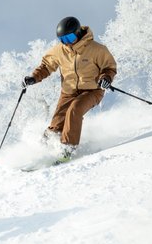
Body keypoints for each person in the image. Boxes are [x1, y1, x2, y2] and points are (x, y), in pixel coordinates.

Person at [22, 16, 117, 161]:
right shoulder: (59, 50)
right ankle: (42, 150)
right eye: (63, 39)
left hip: (92, 90)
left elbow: (109, 67)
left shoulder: (96, 49)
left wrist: (106, 78)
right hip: (68, 92)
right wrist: (34, 77)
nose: (66, 43)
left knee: (75, 109)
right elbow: (46, 66)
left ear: (78, 33)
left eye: (70, 38)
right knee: (56, 124)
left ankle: (67, 149)